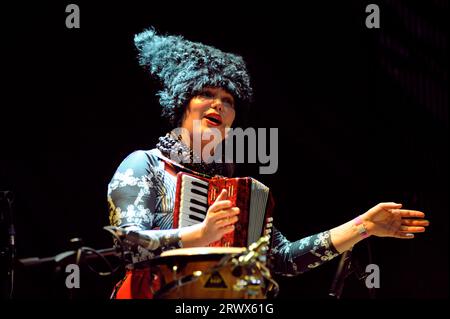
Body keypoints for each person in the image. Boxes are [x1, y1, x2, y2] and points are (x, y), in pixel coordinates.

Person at [107, 27, 428, 299]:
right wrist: (199, 236)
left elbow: (282, 260)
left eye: (229, 100)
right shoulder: (145, 164)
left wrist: (363, 226)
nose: (218, 103)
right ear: (181, 103)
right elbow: (127, 246)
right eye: (206, 93)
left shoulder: (238, 194)